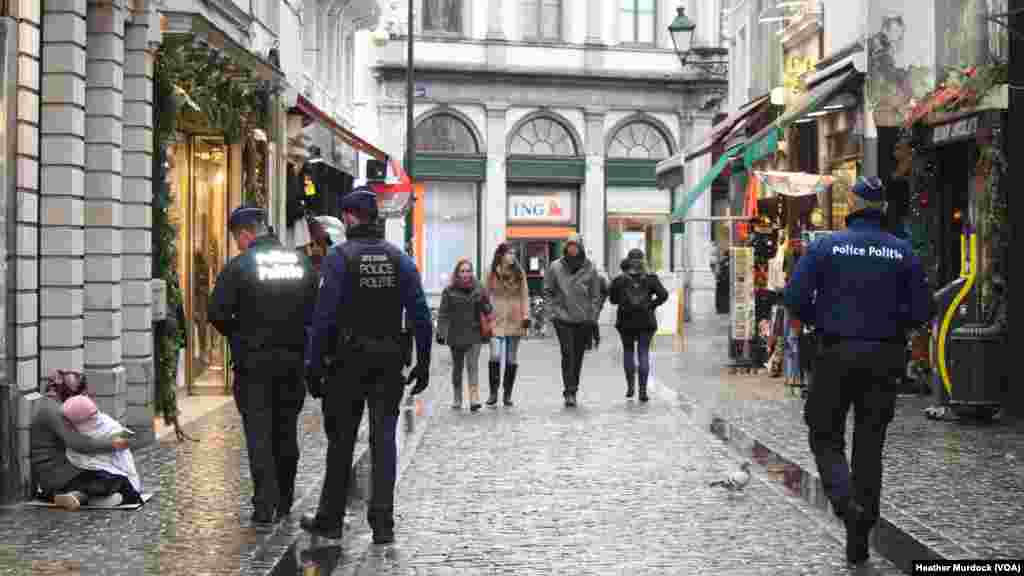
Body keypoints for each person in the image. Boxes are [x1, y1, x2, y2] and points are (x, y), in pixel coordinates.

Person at [784, 176, 930, 567]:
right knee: (870, 445)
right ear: (882, 208)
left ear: (852, 205)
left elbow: (795, 298)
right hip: (885, 357)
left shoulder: (826, 246)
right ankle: (859, 538)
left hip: (834, 353)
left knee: (825, 433)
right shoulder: (903, 252)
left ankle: (846, 502)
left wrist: (822, 319)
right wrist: (892, 324)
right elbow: (921, 311)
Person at [303, 187, 433, 544]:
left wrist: (313, 365)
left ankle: (330, 518)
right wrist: (424, 361)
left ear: (348, 217)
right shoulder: (400, 259)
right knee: (383, 441)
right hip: (390, 361)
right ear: (374, 218)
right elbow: (421, 316)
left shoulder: (339, 257)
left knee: (341, 442)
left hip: (346, 363)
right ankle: (383, 522)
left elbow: (323, 317)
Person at [209, 205, 318, 525]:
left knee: (259, 434)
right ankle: (285, 499)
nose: (237, 244)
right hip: (292, 361)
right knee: (285, 432)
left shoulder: (240, 265)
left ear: (244, 234)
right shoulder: (301, 262)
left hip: (253, 363)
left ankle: (264, 504)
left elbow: (216, 313)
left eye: (236, 238)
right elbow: (316, 310)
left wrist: (239, 334)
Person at [30, 369, 130, 510]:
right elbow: (80, 444)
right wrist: (115, 443)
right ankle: (72, 495)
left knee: (116, 484)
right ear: (66, 391)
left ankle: (77, 496)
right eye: (77, 394)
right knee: (117, 481)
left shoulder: (51, 406)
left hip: (61, 474)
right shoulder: (54, 410)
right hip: (59, 478)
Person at [543, 234, 605, 407]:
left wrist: (592, 316)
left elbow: (595, 295)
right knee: (567, 353)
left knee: (578, 355)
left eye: (575, 245)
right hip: (562, 317)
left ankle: (574, 388)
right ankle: (568, 391)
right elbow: (547, 290)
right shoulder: (555, 267)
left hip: (583, 318)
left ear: (580, 247)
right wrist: (552, 312)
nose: (572, 248)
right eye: (569, 245)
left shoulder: (590, 268)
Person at [608, 249, 669, 402]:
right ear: (643, 261)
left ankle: (630, 387)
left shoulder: (619, 280)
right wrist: (651, 305)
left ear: (627, 261)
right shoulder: (651, 278)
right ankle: (643, 392)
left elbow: (613, 300)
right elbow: (664, 295)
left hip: (625, 321)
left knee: (628, 352)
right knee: (643, 353)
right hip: (646, 320)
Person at [62, 395, 142, 505]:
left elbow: (125, 442)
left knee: (116, 484)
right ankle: (81, 496)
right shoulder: (76, 431)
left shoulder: (107, 426)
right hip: (88, 472)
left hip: (113, 473)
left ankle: (85, 497)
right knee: (80, 481)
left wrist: (117, 442)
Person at [436, 258, 493, 412]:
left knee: (472, 366)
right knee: (457, 368)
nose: (466, 274)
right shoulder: (449, 291)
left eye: (468, 271)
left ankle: (474, 398)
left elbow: (489, 310)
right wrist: (441, 332)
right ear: (457, 273)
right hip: (456, 334)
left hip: (475, 333)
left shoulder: (479, 288)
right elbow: (443, 314)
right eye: (462, 271)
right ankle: (457, 396)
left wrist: (483, 302)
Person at [485, 243, 529, 407]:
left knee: (511, 358)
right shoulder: (491, 272)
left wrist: (526, 316)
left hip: (515, 318)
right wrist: (486, 314)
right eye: (509, 253)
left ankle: (507, 394)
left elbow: (525, 296)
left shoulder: (519, 273)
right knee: (495, 354)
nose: (512, 256)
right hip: (496, 318)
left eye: (514, 253)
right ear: (501, 255)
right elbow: (485, 294)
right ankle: (493, 393)